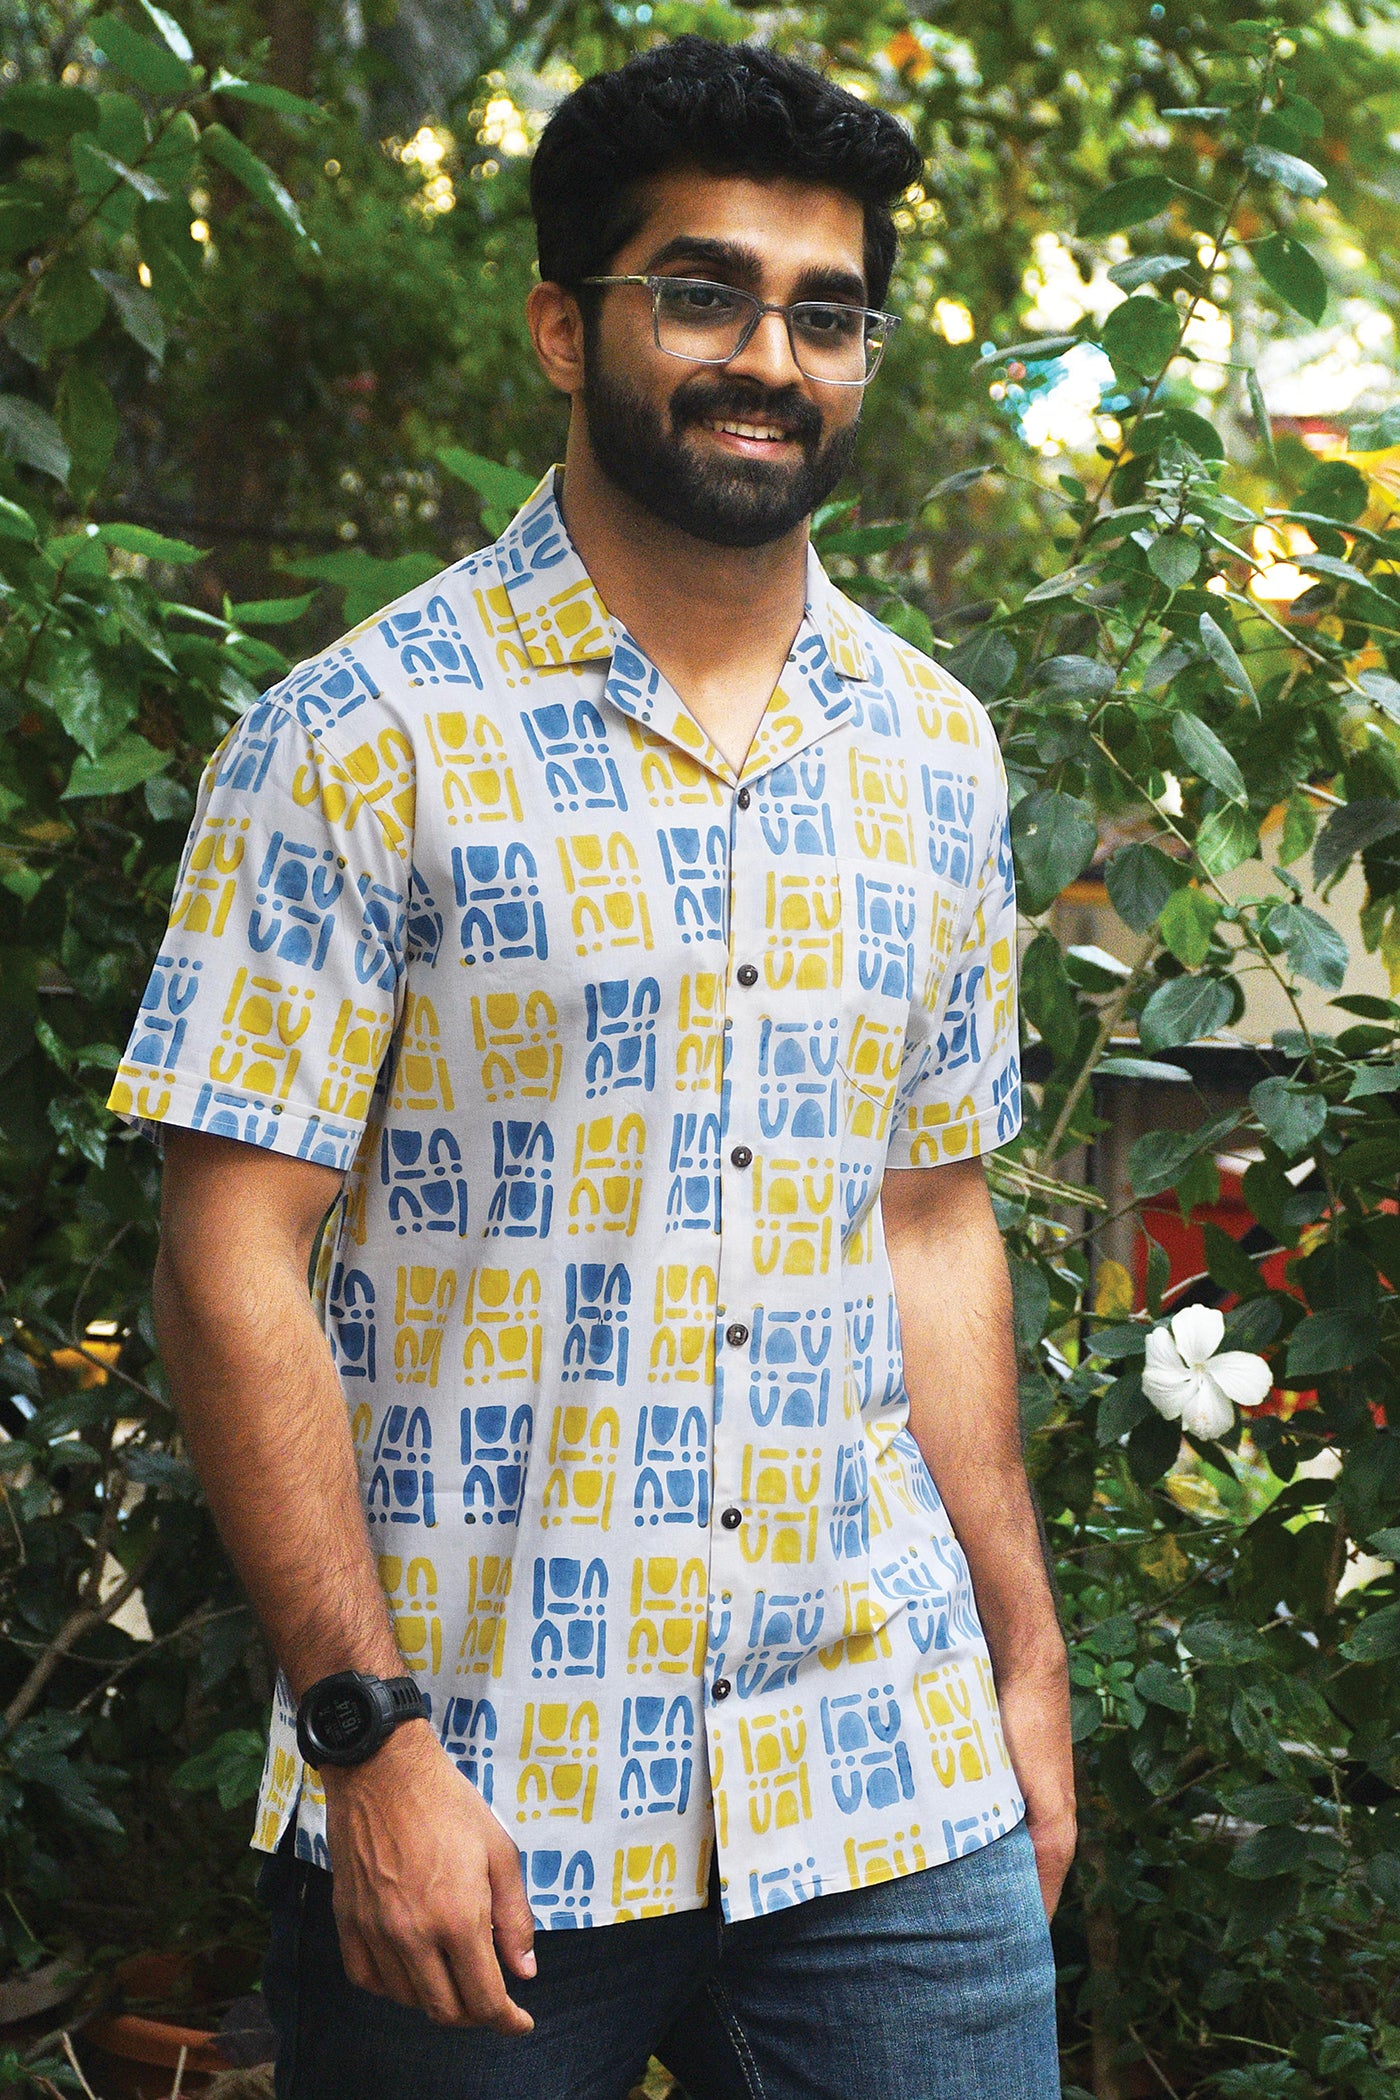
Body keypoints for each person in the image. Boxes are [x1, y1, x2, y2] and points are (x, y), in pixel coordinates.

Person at [110, 34, 1074, 2100]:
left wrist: (1023, 1660)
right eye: (703, 292)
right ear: (567, 323)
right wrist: (367, 1742)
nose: (769, 357)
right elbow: (229, 1262)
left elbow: (927, 1220)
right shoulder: (356, 741)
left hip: (884, 1771)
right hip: (482, 1784)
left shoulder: (932, 755)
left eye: (826, 314)